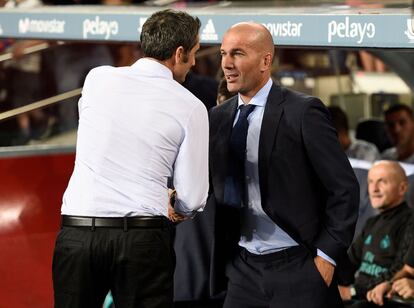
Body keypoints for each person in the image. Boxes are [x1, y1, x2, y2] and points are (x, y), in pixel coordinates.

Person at [52, 9, 209, 308]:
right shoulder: (191, 106)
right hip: (142, 242)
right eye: (194, 54)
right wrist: (173, 199)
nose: (195, 63)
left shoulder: (96, 79)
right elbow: (193, 197)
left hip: (78, 235)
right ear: (179, 53)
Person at [209, 22, 359, 308]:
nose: (226, 63)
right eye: (223, 53)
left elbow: (344, 189)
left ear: (266, 60)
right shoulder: (217, 117)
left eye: (237, 53)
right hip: (242, 270)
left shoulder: (303, 112)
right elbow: (207, 183)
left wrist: (326, 259)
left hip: (299, 266)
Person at [337, 161, 413, 308]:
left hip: (381, 298)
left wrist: (352, 291)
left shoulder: (409, 222)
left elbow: (401, 270)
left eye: (382, 182)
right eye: (370, 182)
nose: (374, 188)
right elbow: (349, 262)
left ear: (402, 188)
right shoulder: (372, 222)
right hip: (358, 295)